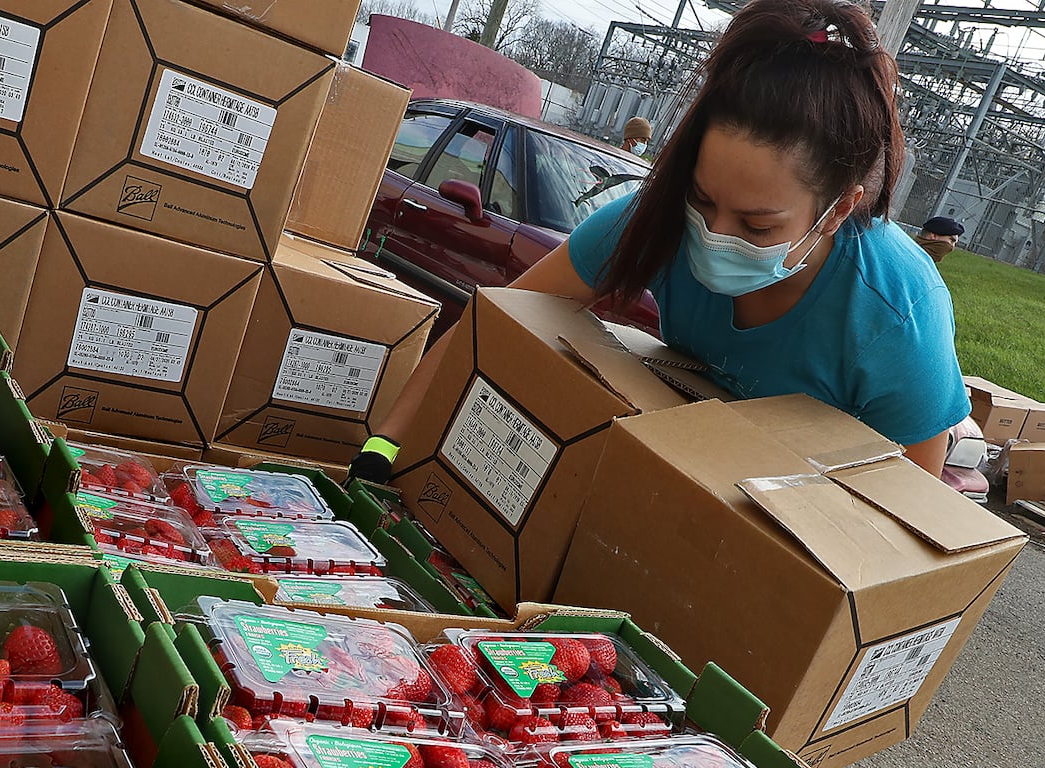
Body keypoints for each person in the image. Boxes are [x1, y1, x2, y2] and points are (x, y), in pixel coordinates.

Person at [351, 0, 969, 482]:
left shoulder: (895, 313)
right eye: (702, 200)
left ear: (837, 211)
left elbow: (907, 511)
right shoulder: (654, 221)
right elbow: (490, 326)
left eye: (758, 226)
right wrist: (386, 445)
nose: (715, 236)